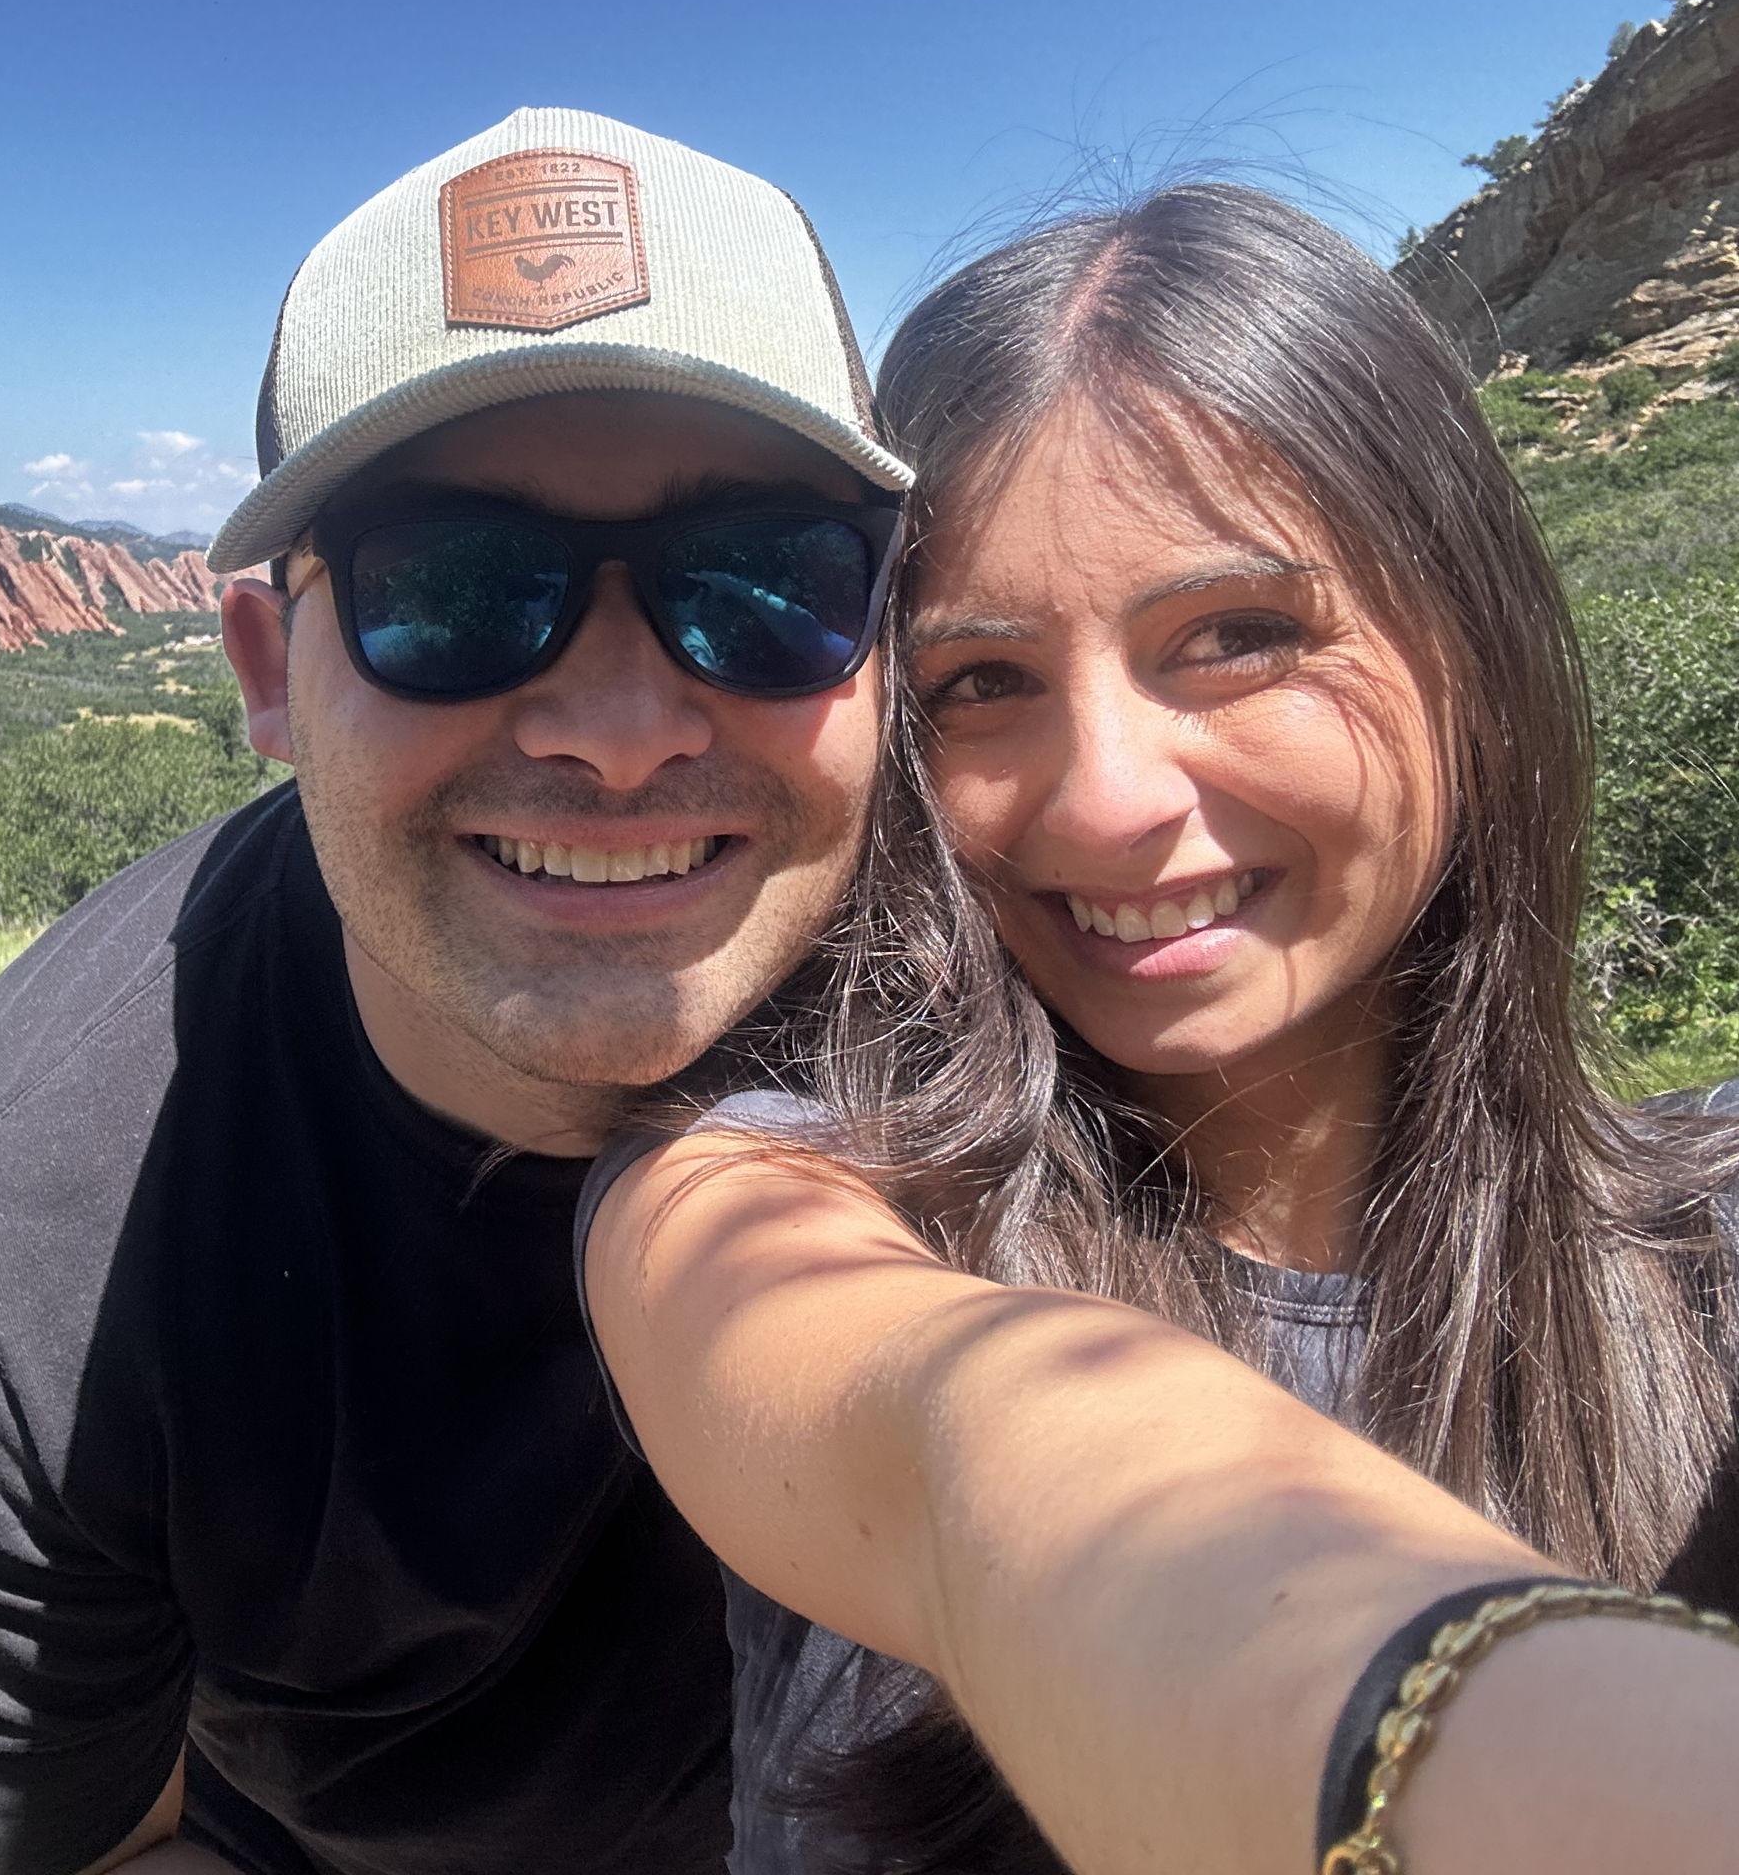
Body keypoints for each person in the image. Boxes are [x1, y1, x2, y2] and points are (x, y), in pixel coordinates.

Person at [0, 105, 916, 1875]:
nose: (620, 731)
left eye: (763, 580)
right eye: (459, 588)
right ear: (269, 668)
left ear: (883, 635)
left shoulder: (1042, 982)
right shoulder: (29, 1240)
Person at [578, 186, 1739, 1873]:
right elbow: (961, 1445)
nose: (1112, 802)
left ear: (1470, 648)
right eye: (979, 682)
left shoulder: (1706, 1236)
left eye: (1235, 637)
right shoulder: (759, 1211)